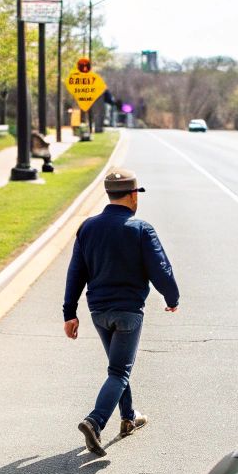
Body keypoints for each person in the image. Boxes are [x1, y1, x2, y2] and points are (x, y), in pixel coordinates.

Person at [62, 168, 180, 456]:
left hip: (98, 312)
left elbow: (75, 272)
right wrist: (172, 297)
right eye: (136, 195)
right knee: (119, 371)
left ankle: (128, 418)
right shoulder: (140, 229)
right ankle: (96, 421)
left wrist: (70, 313)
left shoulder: (87, 227)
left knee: (118, 369)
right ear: (131, 196)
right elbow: (161, 270)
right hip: (128, 311)